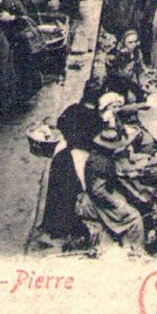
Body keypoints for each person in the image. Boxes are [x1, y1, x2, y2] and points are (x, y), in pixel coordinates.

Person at [33, 101, 101, 248]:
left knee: (58, 197)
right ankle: (60, 232)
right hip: (68, 176)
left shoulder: (64, 146)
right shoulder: (75, 154)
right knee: (65, 200)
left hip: (64, 166)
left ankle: (53, 228)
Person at [79, 122, 148, 256]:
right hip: (98, 202)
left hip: (101, 195)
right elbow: (98, 191)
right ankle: (134, 251)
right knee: (134, 217)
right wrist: (117, 203)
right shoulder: (101, 162)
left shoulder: (100, 155)